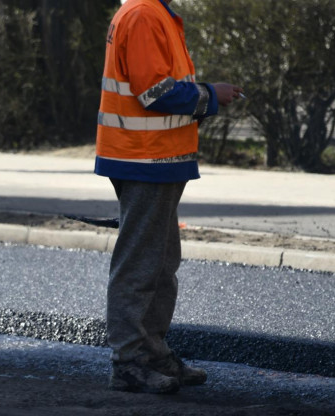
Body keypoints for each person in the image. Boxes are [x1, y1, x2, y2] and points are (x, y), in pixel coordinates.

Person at [95, 0, 242, 394]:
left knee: (160, 264)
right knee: (141, 264)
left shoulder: (153, 13)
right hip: (144, 156)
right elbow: (154, 91)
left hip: (154, 156)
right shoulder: (144, 14)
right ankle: (129, 362)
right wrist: (211, 95)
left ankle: (151, 353)